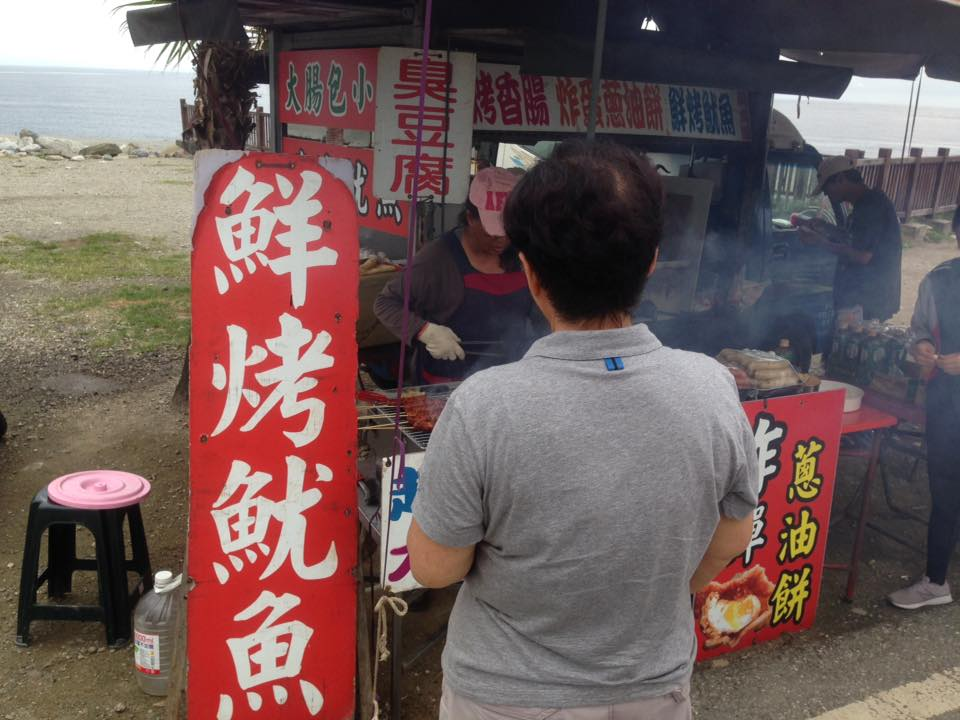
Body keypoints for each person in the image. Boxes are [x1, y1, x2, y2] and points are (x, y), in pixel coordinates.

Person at [406, 141, 759, 719]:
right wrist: (652, 591)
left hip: (506, 697)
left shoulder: (483, 406)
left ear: (529, 271)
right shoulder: (712, 386)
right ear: (651, 261)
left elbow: (435, 566)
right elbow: (731, 534)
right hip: (652, 691)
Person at [374, 167, 535, 384]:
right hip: (446, 384)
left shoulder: (523, 253)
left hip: (507, 378)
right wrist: (424, 330)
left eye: (508, 231)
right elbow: (385, 303)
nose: (501, 240)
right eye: (492, 233)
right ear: (470, 217)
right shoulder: (437, 258)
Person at [888, 207, 960, 610]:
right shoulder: (940, 279)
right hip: (948, 405)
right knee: (945, 489)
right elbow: (915, 330)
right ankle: (935, 581)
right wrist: (920, 348)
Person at [797, 156, 902, 323]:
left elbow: (862, 256)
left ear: (840, 179)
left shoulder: (871, 206)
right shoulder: (865, 204)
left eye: (827, 186)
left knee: (852, 346)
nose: (826, 192)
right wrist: (825, 227)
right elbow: (854, 238)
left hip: (867, 299)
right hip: (861, 296)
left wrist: (819, 242)